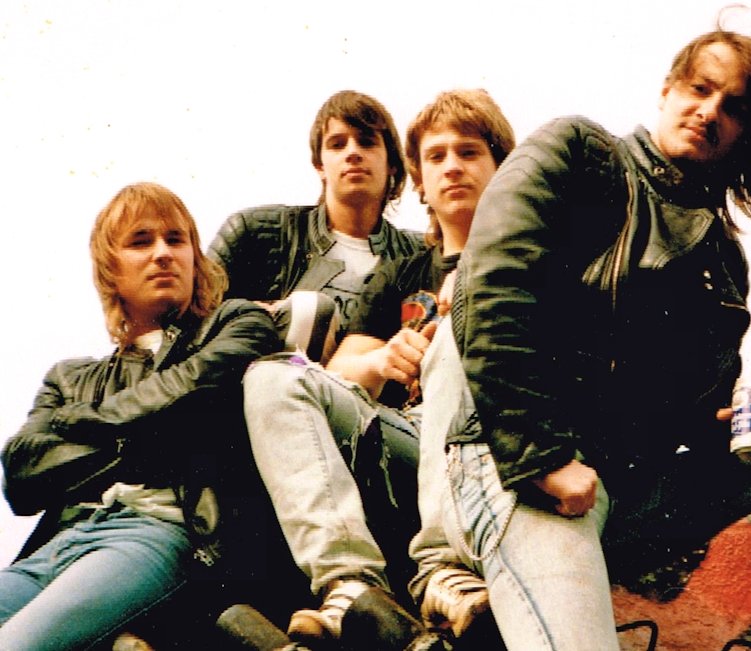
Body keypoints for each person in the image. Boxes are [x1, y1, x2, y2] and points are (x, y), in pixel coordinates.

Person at [408, 28, 751, 651]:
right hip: (522, 466)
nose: (708, 111)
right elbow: (490, 287)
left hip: (621, 490)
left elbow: (693, 417)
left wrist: (749, 427)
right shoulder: (581, 154)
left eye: (732, 106)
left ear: (747, 134)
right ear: (667, 91)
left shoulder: (723, 260)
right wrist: (543, 459)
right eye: (699, 89)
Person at [240, 89, 516, 646]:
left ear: (501, 168)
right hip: (406, 444)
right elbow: (340, 371)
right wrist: (384, 358)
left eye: (468, 152)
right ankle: (349, 583)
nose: (452, 167)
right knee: (271, 375)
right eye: (436, 156)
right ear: (419, 180)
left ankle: (443, 573)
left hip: (494, 446)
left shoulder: (534, 258)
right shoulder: (402, 269)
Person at [0, 182, 279, 649]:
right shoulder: (69, 377)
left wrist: (85, 421)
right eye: (141, 241)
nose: (163, 253)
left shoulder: (238, 323)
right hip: (62, 542)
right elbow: (23, 475)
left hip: (159, 533)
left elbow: (191, 389)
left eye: (176, 239)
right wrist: (145, 439)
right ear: (110, 270)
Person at [207, 89, 424, 345]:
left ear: (392, 164)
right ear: (320, 165)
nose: (353, 153)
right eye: (337, 144)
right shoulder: (254, 234)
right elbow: (196, 319)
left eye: (366, 142)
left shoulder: (420, 256)